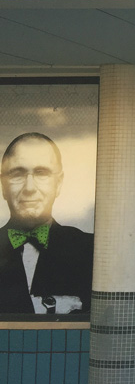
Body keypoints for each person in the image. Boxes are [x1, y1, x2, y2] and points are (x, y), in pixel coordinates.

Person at [0, 133, 93, 314]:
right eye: (17, 174)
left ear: (58, 184)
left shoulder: (91, 251)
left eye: (41, 173)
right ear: (3, 186)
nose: (29, 188)